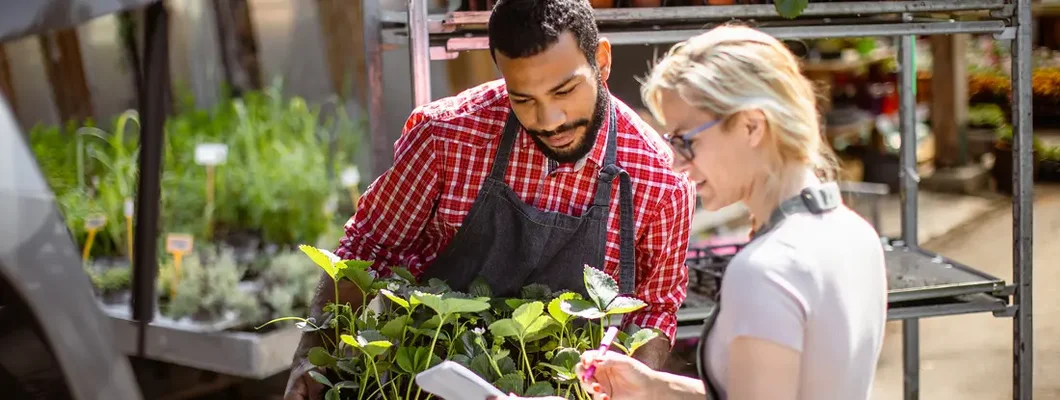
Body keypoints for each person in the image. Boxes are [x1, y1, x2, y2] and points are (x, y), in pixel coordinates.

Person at [282, 0, 696, 399]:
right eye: (523, 99)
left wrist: (628, 390)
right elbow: (370, 246)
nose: (549, 120)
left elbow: (654, 308)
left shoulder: (660, 179)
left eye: (565, 91)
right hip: (423, 383)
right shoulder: (446, 136)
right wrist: (312, 354)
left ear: (601, 62)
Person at [500, 24, 889, 400]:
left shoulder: (767, 270)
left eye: (685, 140)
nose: (677, 164)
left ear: (752, 126)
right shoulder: (853, 233)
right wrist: (657, 389)